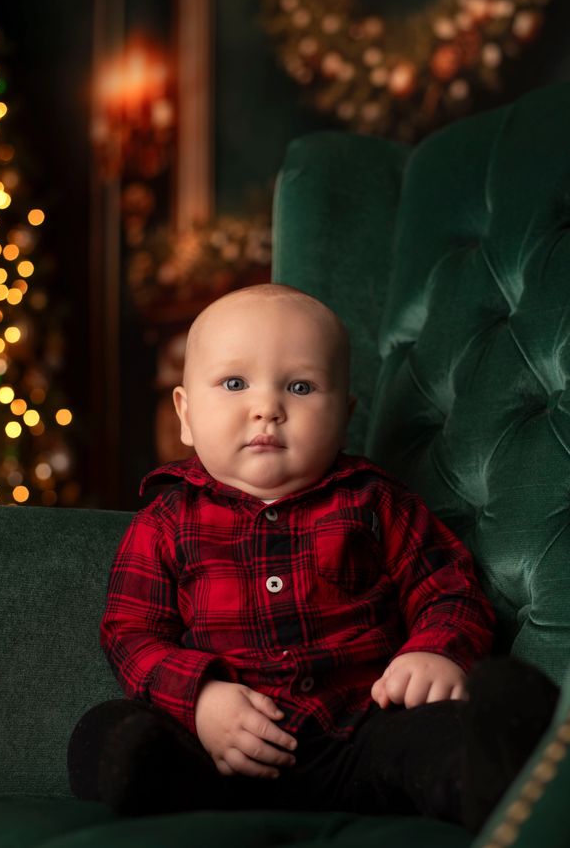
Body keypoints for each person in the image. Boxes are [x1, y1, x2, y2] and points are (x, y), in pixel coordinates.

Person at [67, 284, 559, 831]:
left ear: (343, 414)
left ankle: (497, 761)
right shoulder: (166, 521)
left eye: (300, 386)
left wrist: (435, 653)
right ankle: (153, 777)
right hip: (226, 752)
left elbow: (448, 588)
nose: (267, 409)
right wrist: (201, 698)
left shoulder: (373, 500)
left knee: (435, 736)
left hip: (364, 734)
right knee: (102, 730)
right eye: (234, 383)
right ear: (185, 413)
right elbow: (130, 632)